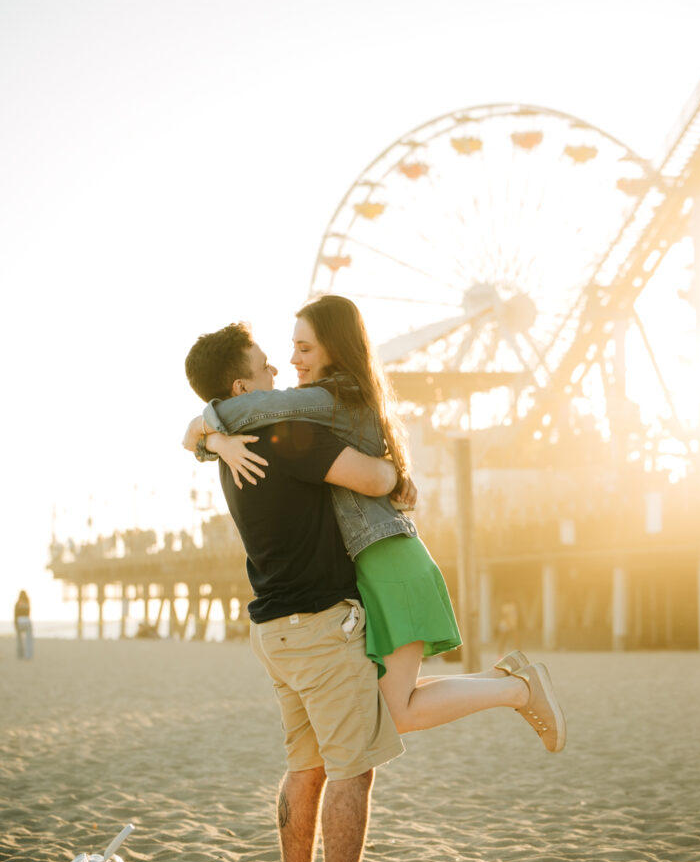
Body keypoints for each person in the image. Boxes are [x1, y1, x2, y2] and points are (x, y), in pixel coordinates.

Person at [185, 297, 566, 754]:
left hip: (390, 563)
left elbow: (249, 407)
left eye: (304, 349)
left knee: (396, 712)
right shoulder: (333, 401)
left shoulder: (329, 398)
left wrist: (208, 437)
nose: (292, 361)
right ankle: (511, 681)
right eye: (291, 349)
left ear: (333, 347)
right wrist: (213, 442)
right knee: (394, 706)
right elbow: (251, 406)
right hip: (378, 566)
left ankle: (519, 689)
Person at [185, 324, 404, 862]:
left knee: (304, 766)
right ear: (242, 386)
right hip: (318, 626)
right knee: (352, 769)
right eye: (264, 367)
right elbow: (378, 481)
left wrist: (206, 434)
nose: (277, 375)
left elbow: (200, 431)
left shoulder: (231, 447)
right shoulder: (283, 437)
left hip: (273, 629)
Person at [14, 589, 33, 660]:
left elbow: (15, 614)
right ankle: (28, 655)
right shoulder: (27, 602)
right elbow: (29, 613)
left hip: (19, 620)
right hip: (27, 620)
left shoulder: (18, 603)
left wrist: (15, 624)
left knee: (19, 639)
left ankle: (20, 655)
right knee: (28, 640)